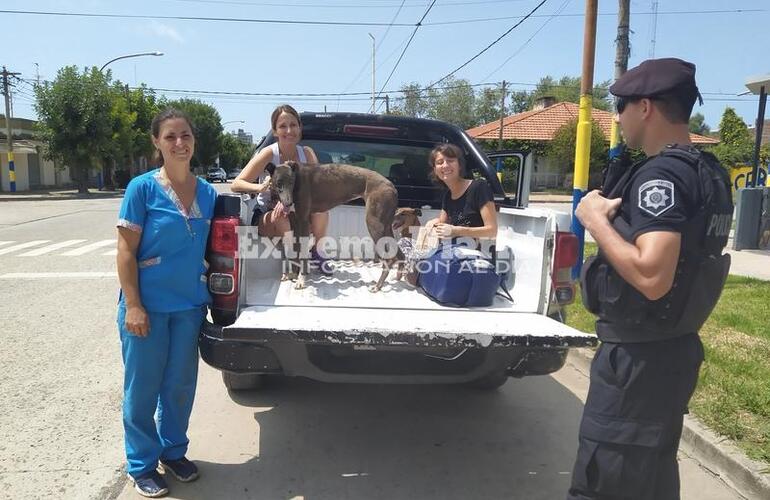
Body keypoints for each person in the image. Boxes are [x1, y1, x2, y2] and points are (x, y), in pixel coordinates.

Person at [567, 58, 733, 500]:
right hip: (669, 350)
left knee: (605, 483)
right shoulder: (708, 172)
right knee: (648, 483)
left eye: (620, 108)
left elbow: (652, 274)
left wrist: (593, 219)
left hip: (637, 363)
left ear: (645, 107)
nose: (617, 119)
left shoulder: (661, 176)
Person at [116, 108, 218, 497]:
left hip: (188, 306)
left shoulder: (207, 192)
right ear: (156, 142)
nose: (179, 143)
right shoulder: (141, 189)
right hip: (147, 307)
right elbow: (125, 251)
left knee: (179, 386)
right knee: (142, 389)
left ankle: (173, 451)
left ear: (194, 141)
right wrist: (134, 305)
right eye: (170, 136)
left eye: (185, 135)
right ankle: (141, 463)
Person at [231, 104, 331, 273]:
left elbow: (317, 188)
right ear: (275, 131)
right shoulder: (269, 154)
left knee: (321, 210)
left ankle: (317, 253)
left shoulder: (307, 154)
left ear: (299, 128)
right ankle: (293, 258)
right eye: (283, 126)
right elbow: (236, 184)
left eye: (293, 125)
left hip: (297, 214)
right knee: (280, 216)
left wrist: (289, 201)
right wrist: (261, 187)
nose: (289, 130)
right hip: (268, 216)